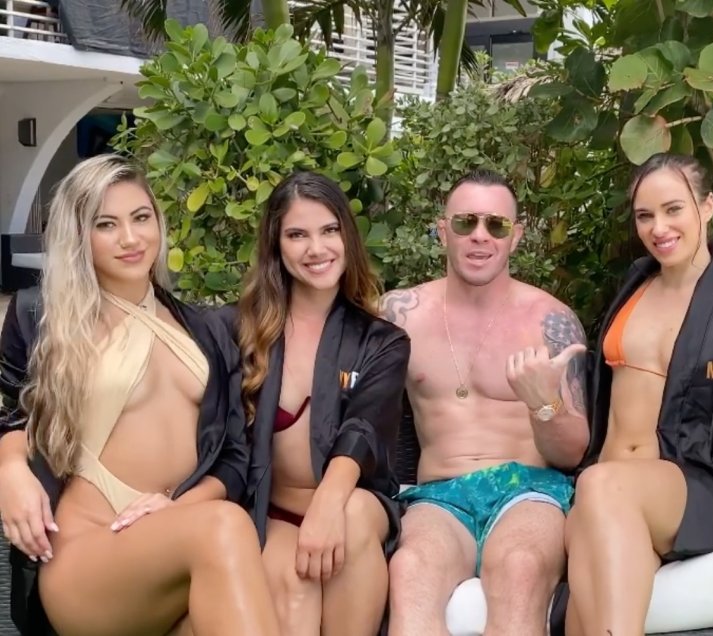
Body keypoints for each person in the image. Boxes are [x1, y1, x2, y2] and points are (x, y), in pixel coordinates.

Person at [0, 155, 279, 636]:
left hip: (177, 548)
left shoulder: (207, 329)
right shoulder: (41, 317)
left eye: (141, 217)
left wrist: (178, 509)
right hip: (87, 552)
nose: (130, 239)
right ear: (78, 235)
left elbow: (234, 456)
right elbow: (11, 415)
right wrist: (9, 470)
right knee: (225, 526)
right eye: (106, 224)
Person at [382, 169, 590, 636]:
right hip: (439, 496)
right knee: (410, 568)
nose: (480, 236)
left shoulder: (551, 321)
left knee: (520, 566)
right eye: (465, 222)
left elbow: (572, 452)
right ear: (443, 230)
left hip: (528, 489)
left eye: (496, 225)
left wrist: (544, 404)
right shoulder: (399, 316)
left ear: (516, 237)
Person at [564, 153, 713, 635]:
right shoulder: (635, 285)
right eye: (645, 215)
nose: (658, 228)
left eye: (673, 209)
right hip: (608, 493)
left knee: (601, 485)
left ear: (707, 207)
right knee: (585, 619)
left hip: (691, 486)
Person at [220, 171, 410, 636]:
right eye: (297, 235)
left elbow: (364, 427)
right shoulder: (237, 330)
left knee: (353, 517)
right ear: (276, 245)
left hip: (352, 504)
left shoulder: (382, 341)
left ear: (348, 236)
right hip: (270, 511)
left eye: (329, 230)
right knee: (296, 596)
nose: (316, 248)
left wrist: (327, 504)